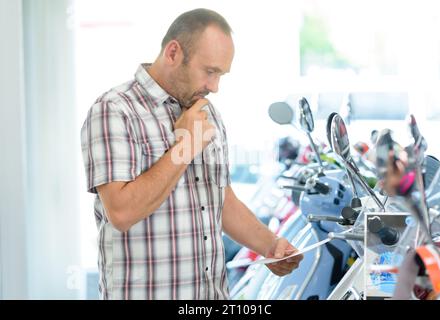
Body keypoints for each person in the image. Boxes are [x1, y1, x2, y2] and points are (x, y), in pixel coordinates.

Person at [80, 8, 302, 300]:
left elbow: (220, 200)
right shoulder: (114, 110)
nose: (215, 87)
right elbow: (121, 212)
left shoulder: (206, 113)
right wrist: (184, 147)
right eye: (209, 72)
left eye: (220, 75)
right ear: (173, 53)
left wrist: (271, 247)